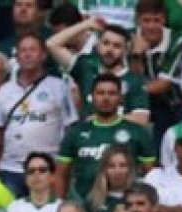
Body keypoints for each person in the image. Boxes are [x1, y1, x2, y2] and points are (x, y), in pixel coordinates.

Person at [0, 35, 78, 198]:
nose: (27, 54)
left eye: (32, 50)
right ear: (16, 57)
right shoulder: (4, 90)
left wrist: (63, 170)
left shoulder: (58, 87)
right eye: (23, 51)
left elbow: (69, 129)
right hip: (11, 169)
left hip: (47, 168)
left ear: (43, 55)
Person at [57, 73, 157, 201]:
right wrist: (59, 204)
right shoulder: (75, 133)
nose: (106, 98)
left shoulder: (137, 132)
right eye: (100, 93)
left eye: (111, 93)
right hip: (84, 206)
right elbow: (61, 174)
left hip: (126, 205)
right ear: (92, 97)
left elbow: (152, 175)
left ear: (120, 98)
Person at [49, 20, 152, 125]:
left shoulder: (134, 80)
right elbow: (52, 44)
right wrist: (86, 24)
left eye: (117, 46)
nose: (109, 50)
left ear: (125, 50)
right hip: (87, 137)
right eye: (106, 43)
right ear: (98, 45)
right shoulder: (86, 67)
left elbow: (141, 118)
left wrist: (103, 119)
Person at [129, 0, 182, 139]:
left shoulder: (176, 41)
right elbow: (131, 77)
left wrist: (134, 91)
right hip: (133, 103)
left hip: (168, 103)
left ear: (164, 20)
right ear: (138, 20)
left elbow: (163, 85)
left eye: (157, 20)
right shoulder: (128, 38)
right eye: (146, 20)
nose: (152, 26)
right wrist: (136, 54)